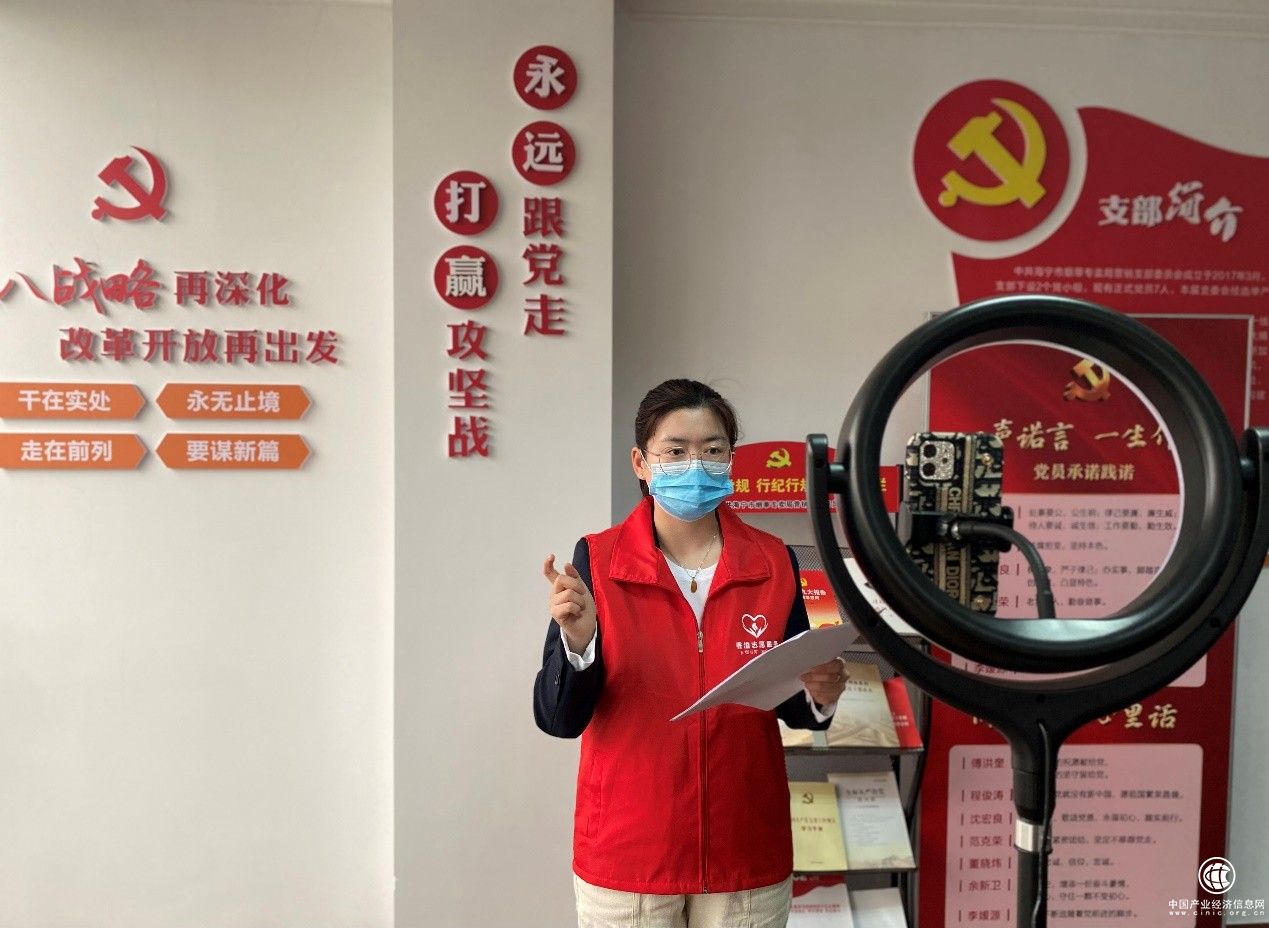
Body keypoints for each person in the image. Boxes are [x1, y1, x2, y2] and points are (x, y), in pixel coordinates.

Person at [533, 378, 850, 928]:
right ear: (641, 462)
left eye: (712, 450)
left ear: (731, 461)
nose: (695, 466)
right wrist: (578, 643)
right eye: (675, 451)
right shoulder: (598, 561)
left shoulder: (775, 561)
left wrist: (821, 695)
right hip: (631, 858)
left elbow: (794, 703)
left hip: (744, 855)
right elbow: (558, 719)